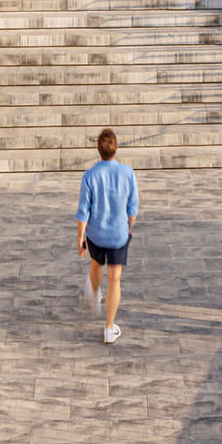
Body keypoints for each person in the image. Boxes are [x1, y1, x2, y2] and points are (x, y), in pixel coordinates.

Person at [76, 127, 139, 345]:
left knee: (95, 264)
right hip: (118, 234)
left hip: (96, 233)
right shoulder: (128, 173)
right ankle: (109, 328)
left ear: (98, 150)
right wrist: (129, 228)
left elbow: (84, 210)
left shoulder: (90, 175)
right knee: (115, 279)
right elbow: (133, 208)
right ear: (116, 148)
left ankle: (93, 294)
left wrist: (80, 238)